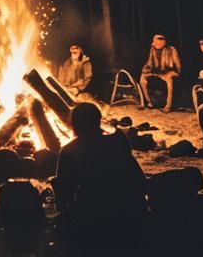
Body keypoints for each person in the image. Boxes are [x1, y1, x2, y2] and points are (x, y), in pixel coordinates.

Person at [53, 101, 148, 245]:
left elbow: (64, 192)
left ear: (74, 125)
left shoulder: (70, 151)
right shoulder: (118, 141)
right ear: (98, 121)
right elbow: (139, 180)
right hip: (130, 213)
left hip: (94, 217)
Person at [140, 33, 182, 112]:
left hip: (169, 72)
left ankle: (168, 106)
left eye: (161, 41)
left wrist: (174, 73)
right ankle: (150, 102)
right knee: (142, 78)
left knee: (169, 81)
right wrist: (146, 70)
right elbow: (149, 63)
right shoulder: (152, 50)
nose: (158, 43)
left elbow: (178, 66)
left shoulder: (171, 50)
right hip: (157, 72)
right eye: (156, 42)